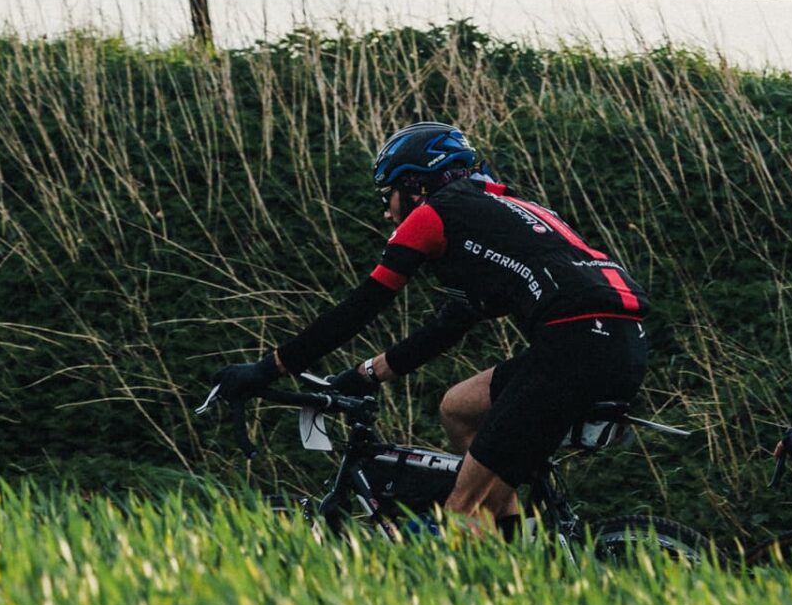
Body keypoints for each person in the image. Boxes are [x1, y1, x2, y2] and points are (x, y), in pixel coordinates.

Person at [209, 122, 648, 534]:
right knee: (458, 407)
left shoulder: (434, 214)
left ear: (415, 186)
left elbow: (361, 307)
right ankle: (516, 549)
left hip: (572, 345)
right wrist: (367, 374)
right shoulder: (510, 212)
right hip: (618, 342)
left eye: (388, 196)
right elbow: (448, 326)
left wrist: (269, 368)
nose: (386, 213)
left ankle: (477, 586)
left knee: (460, 510)